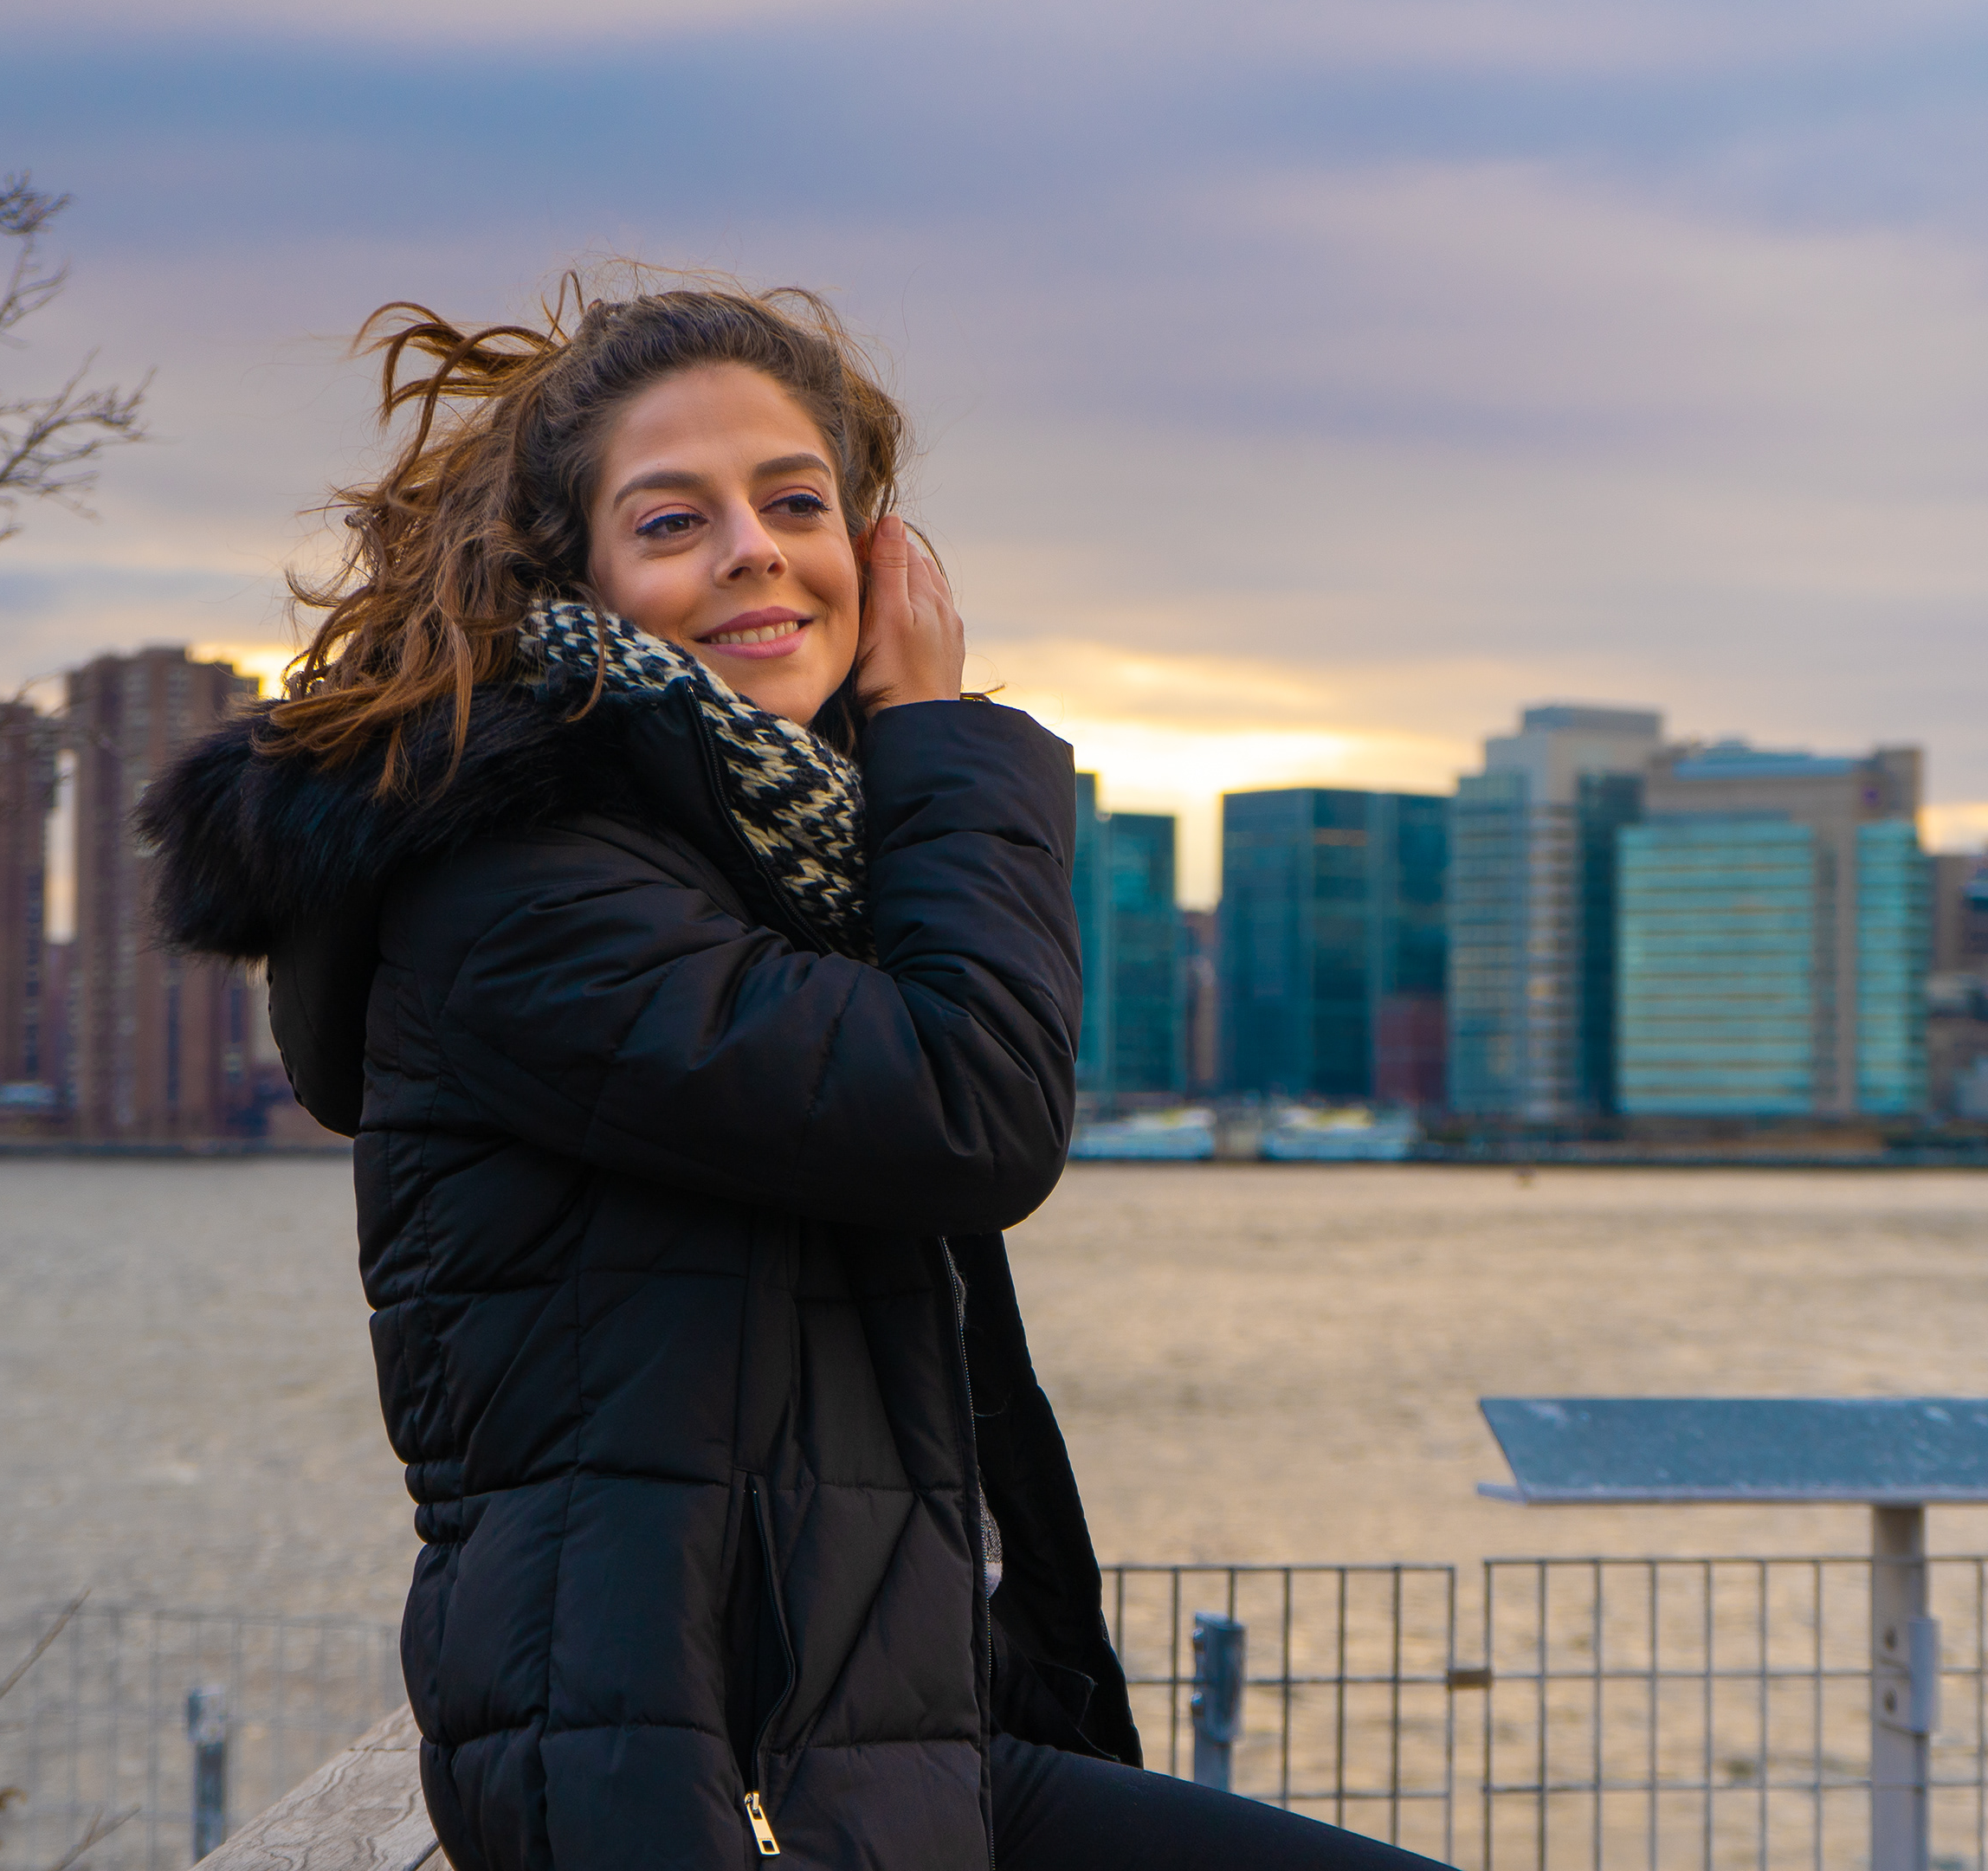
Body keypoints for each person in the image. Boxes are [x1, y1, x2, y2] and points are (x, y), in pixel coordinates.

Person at [142, 281, 1447, 1871]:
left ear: (871, 547)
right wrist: (936, 727)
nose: (754, 549)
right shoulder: (524, 894)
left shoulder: (772, 869)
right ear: (574, 573)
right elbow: (975, 1104)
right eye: (673, 520)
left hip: (872, 1749)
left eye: (796, 501)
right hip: (700, 1788)